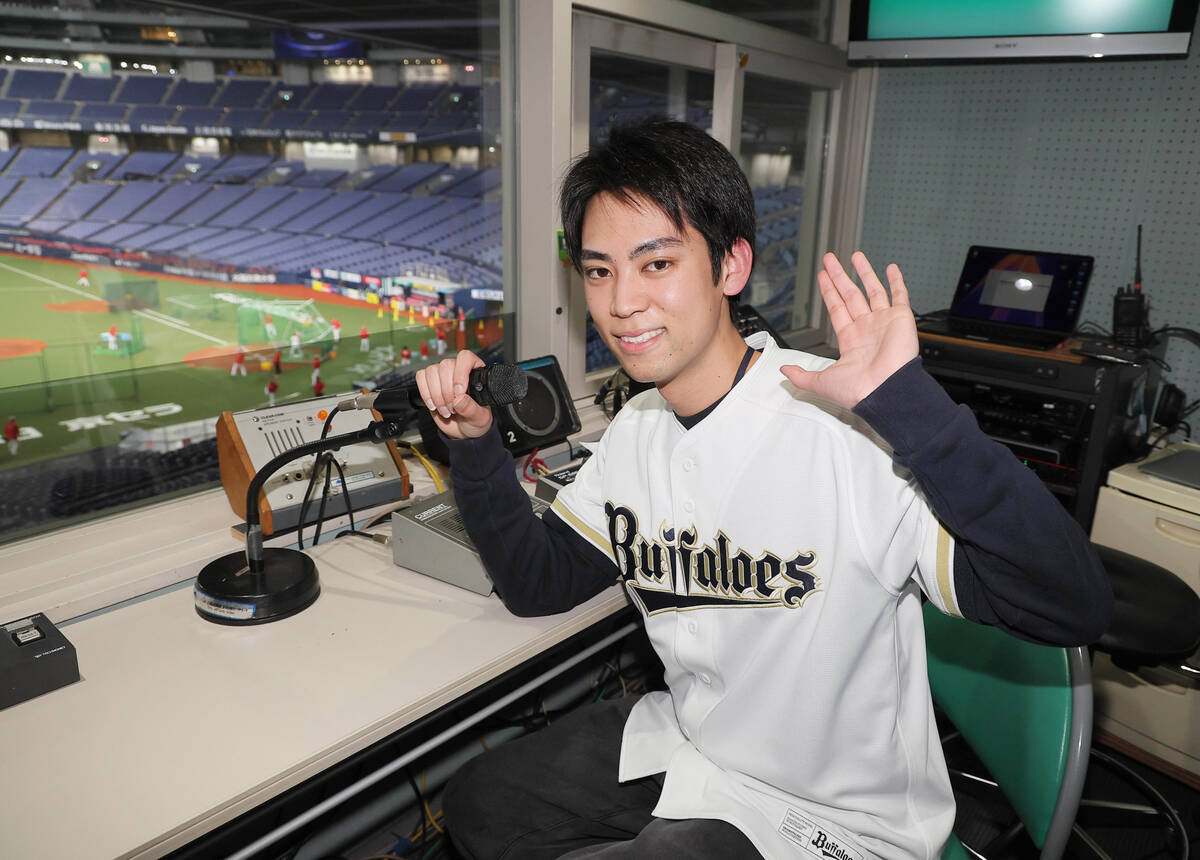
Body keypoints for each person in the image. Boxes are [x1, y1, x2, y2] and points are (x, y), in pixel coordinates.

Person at [415, 119, 1112, 860]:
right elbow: (538, 582)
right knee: (482, 803)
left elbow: (1072, 604)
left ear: (732, 266)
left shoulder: (851, 438)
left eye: (656, 264)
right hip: (699, 744)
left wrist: (919, 412)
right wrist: (475, 447)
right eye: (598, 270)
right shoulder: (637, 427)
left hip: (831, 816)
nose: (621, 303)